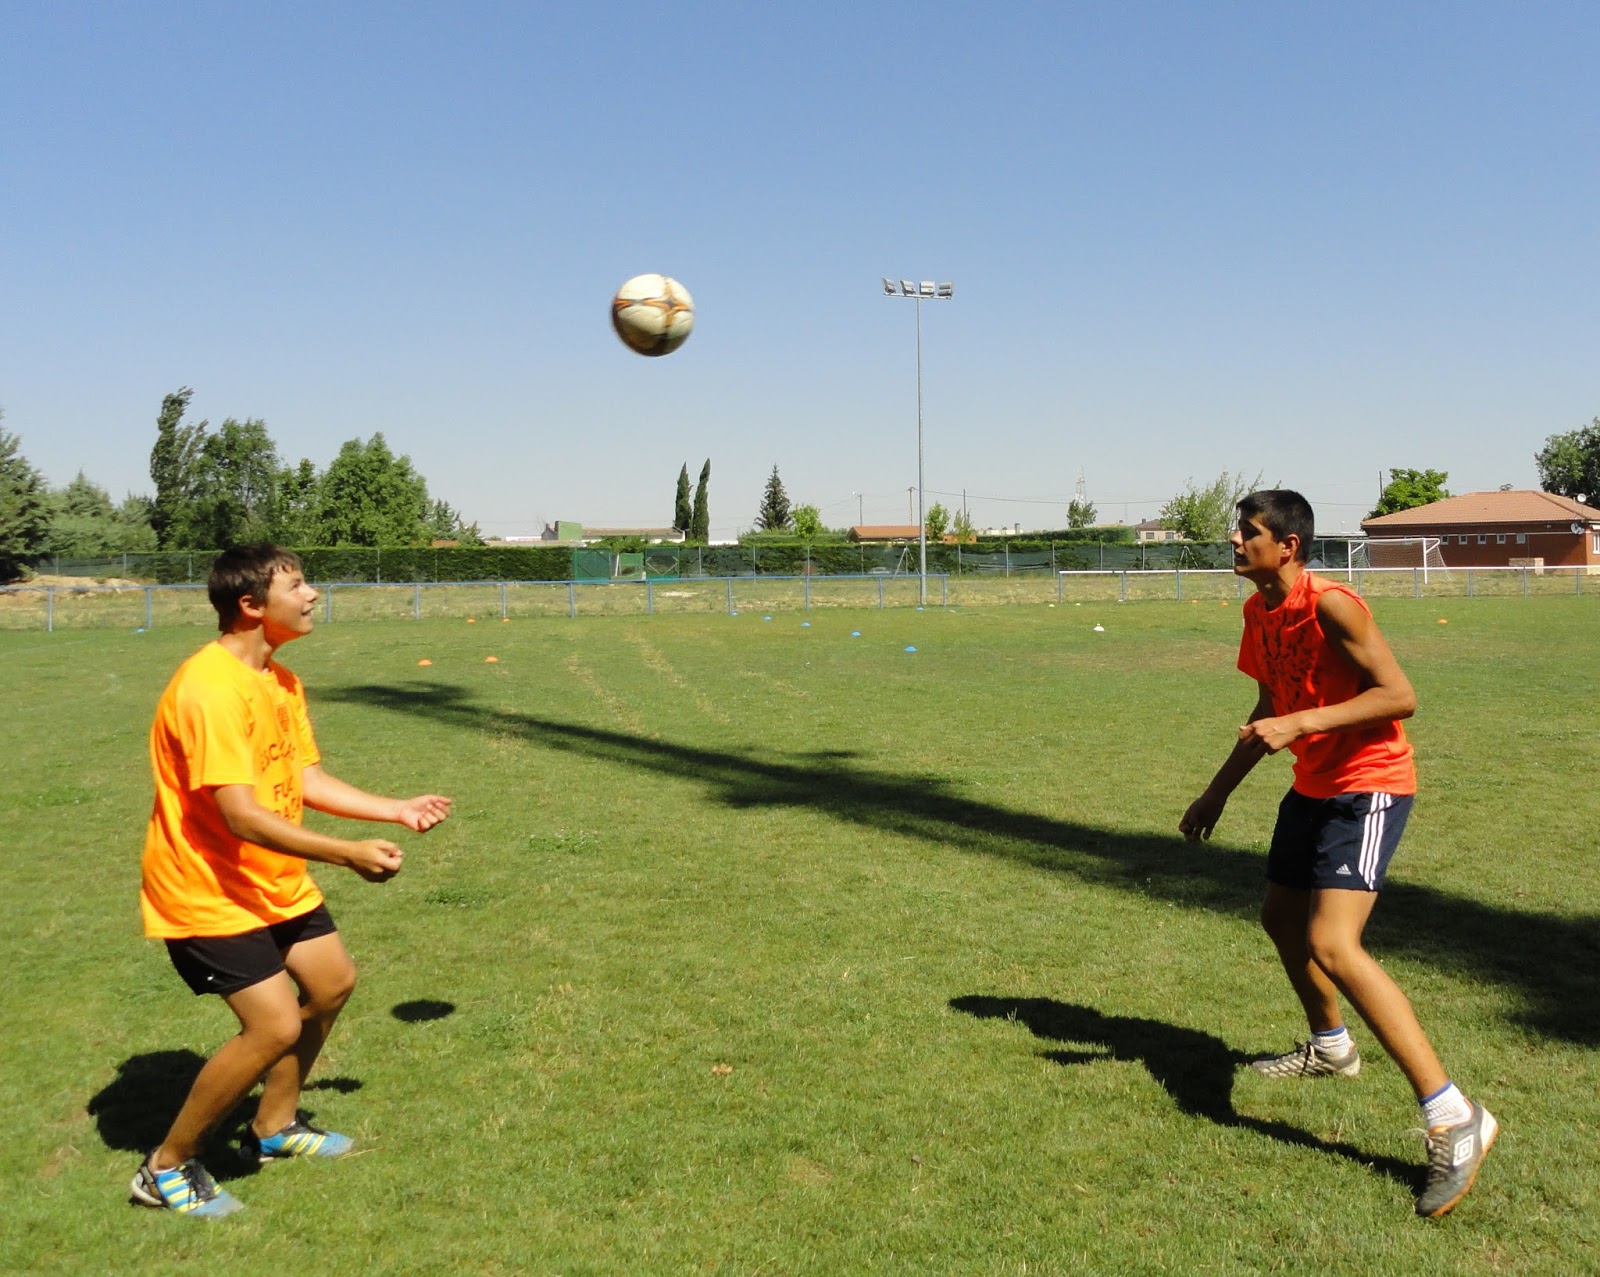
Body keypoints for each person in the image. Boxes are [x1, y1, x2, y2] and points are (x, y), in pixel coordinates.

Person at [1179, 490, 1495, 1219]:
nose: (1234, 541)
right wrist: (1216, 792)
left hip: (1369, 785)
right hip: (1313, 784)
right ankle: (1331, 1046)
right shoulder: (1259, 612)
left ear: (1287, 545)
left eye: (1248, 532)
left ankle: (1453, 1115)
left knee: (1333, 942)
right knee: (1280, 918)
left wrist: (1304, 723)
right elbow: (1270, 708)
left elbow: (1400, 695)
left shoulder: (1333, 605)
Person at [130, 544, 452, 1217]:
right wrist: (345, 853)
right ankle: (166, 1165)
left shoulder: (278, 681)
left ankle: (273, 1126)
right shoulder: (211, 689)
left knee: (332, 982)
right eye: (298, 585)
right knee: (274, 1024)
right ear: (252, 605)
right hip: (207, 889)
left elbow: (304, 777)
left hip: (270, 879)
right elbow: (240, 815)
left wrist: (393, 808)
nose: (312, 594)